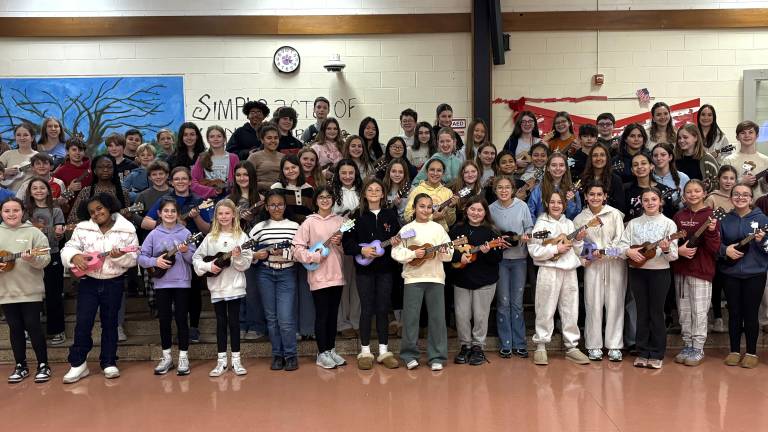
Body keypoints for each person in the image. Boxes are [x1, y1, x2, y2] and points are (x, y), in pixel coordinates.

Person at [61, 193, 139, 383]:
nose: (96, 214)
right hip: (89, 281)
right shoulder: (83, 228)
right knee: (83, 322)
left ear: (109, 207)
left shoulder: (127, 230)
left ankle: (109, 361)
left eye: (99, 209)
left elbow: (134, 258)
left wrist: (118, 256)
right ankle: (78, 364)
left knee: (110, 323)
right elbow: (68, 247)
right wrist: (75, 256)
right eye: (92, 212)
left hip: (114, 281)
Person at [143, 166, 212, 343]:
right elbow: (145, 222)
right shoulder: (165, 200)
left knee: (194, 290)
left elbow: (208, 229)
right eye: (177, 179)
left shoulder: (199, 200)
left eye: (184, 179)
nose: (180, 182)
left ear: (190, 181)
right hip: (168, 251)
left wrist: (195, 217)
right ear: (171, 182)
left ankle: (193, 328)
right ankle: (178, 330)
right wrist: (168, 224)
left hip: (191, 247)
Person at [342, 178, 402, 370]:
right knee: (367, 309)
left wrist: (396, 242)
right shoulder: (356, 216)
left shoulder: (391, 215)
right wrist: (362, 251)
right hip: (364, 270)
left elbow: (399, 238)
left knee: (383, 308)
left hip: (386, 270)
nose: (374, 192)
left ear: (383, 194)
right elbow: (347, 243)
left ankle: (384, 351)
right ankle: (365, 350)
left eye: (378, 189)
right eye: (370, 189)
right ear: (364, 194)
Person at [527, 190, 590, 366]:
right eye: (552, 202)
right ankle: (541, 346)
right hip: (548, 270)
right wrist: (555, 250)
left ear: (565, 205)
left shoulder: (570, 223)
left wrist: (578, 240)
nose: (556, 205)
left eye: (560, 203)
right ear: (547, 203)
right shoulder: (540, 223)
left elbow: (577, 251)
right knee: (545, 308)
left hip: (569, 271)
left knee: (570, 308)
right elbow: (534, 251)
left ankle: (572, 346)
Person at [392, 193, 452, 371]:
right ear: (414, 208)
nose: (426, 210)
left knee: (437, 319)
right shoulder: (407, 229)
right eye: (422, 206)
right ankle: (409, 355)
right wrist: (412, 254)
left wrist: (442, 251)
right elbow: (396, 252)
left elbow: (449, 254)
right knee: (410, 319)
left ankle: (437, 356)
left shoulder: (438, 229)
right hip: (413, 279)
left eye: (429, 206)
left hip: (435, 278)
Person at [619, 188, 679, 369]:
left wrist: (666, 248)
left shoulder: (669, 224)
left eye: (654, 199)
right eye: (646, 200)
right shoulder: (633, 224)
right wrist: (629, 251)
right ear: (641, 202)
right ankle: (642, 351)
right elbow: (622, 245)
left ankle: (657, 353)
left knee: (656, 312)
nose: (650, 203)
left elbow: (673, 255)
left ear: (660, 202)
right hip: (637, 272)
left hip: (660, 273)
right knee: (641, 312)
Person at [193, 199, 253, 377]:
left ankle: (236, 360)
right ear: (216, 216)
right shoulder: (210, 237)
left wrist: (237, 257)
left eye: (227, 213)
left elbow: (245, 264)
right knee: (220, 323)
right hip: (217, 287)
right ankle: (221, 362)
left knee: (234, 322)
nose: (224, 217)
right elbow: (197, 259)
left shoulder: (241, 237)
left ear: (234, 214)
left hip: (234, 287)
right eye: (220, 214)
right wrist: (209, 266)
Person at [138, 197, 196, 375]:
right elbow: (141, 257)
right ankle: (166, 356)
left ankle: (184, 357)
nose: (169, 214)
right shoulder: (154, 234)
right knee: (164, 319)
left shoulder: (185, 233)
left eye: (173, 211)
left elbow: (193, 258)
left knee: (181, 318)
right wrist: (156, 261)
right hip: (162, 283)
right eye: (166, 211)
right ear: (159, 214)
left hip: (182, 283)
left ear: (178, 214)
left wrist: (185, 252)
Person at [292, 187, 348, 369]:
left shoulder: (341, 221)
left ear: (333, 200)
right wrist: (314, 257)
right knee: (322, 315)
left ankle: (331, 350)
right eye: (321, 197)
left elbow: (347, 249)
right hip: (318, 275)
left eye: (328, 197)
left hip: (337, 274)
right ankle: (321, 352)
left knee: (333, 316)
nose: (325, 200)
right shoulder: (309, 223)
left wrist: (339, 244)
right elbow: (297, 249)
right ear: (316, 201)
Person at [0, 197, 52, 383]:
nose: (11, 214)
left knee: (33, 326)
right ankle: (20, 365)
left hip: (30, 289)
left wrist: (32, 259)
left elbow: (45, 259)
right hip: (5, 291)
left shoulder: (34, 233)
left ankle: (43, 365)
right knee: (14, 328)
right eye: (7, 211)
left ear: (23, 212)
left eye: (16, 210)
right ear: (1, 213)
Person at [574, 182, 626, 362]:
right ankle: (594, 346)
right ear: (586, 197)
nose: (595, 198)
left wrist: (605, 252)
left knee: (615, 305)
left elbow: (621, 243)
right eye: (591, 194)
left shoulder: (614, 214)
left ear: (605, 196)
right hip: (593, 267)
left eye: (599, 194)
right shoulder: (580, 219)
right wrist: (588, 257)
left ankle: (614, 346)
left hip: (615, 265)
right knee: (593, 304)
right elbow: (577, 246)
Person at [671, 180, 721, 367]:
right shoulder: (679, 215)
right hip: (681, 269)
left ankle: (698, 347)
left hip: (701, 270)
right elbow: (672, 240)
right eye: (689, 191)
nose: (693, 194)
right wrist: (679, 250)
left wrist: (710, 231)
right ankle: (687, 344)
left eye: (697, 191)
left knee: (699, 311)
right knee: (684, 311)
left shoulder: (711, 216)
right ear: (684, 195)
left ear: (704, 193)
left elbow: (714, 247)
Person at [249, 191, 300, 371]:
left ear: (285, 207)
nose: (277, 208)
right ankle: (277, 355)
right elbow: (247, 251)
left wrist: (284, 253)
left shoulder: (295, 226)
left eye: (280, 205)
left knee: (285, 318)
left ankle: (291, 355)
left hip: (287, 273)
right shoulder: (259, 227)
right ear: (267, 207)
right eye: (272, 205)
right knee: (271, 318)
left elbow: (300, 251)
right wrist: (256, 255)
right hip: (265, 273)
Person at [719, 184, 768, 368]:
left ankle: (751, 352)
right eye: (737, 194)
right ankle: (733, 350)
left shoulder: (762, 219)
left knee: (750, 314)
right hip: (729, 273)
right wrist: (725, 251)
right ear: (731, 197)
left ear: (751, 198)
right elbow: (715, 244)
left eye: (745, 194)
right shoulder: (724, 219)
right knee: (734, 313)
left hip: (755, 274)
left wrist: (762, 240)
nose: (741, 197)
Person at [449, 195, 501, 365]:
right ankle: (465, 346)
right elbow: (448, 252)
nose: (476, 213)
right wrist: (459, 257)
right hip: (462, 280)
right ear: (466, 210)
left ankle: (478, 347)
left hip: (484, 281)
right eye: (472, 209)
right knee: (462, 315)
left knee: (480, 316)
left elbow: (497, 257)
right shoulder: (457, 230)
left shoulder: (492, 232)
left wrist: (489, 252)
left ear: (485, 212)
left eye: (480, 210)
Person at [489, 176, 532, 359]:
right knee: (503, 302)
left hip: (519, 259)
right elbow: (489, 233)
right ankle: (505, 343)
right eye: (500, 187)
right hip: (500, 261)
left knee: (517, 302)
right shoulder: (490, 209)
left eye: (507, 187)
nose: (504, 190)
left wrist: (525, 237)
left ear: (513, 189)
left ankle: (520, 342)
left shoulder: (522, 206)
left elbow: (529, 228)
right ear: (495, 190)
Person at [23, 178, 67, 346]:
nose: (39, 190)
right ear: (30, 191)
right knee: (30, 294)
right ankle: (29, 330)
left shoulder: (55, 211)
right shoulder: (25, 211)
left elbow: (59, 235)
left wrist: (59, 233)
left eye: (42, 188)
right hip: (29, 257)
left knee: (54, 293)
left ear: (49, 191)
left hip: (52, 254)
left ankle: (57, 330)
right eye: (35, 188)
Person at [331, 160, 362, 337]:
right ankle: (342, 323)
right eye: (344, 173)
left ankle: (356, 321)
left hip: (357, 243)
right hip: (338, 242)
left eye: (351, 173)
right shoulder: (333, 193)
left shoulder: (361, 191)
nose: (348, 176)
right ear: (338, 174)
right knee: (342, 282)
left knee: (356, 283)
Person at [67, 155, 129, 225]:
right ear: (95, 171)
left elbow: (127, 218)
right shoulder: (86, 191)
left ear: (114, 170)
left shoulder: (123, 192)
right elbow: (72, 219)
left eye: (109, 167)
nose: (105, 170)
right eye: (100, 167)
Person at [404, 158, 456, 232]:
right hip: (421, 235)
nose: (435, 173)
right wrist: (432, 217)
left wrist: (452, 207)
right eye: (432, 169)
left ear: (443, 173)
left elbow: (450, 222)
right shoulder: (417, 190)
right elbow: (407, 217)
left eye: (439, 170)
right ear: (426, 171)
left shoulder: (448, 192)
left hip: (441, 236)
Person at [527, 152, 582, 222]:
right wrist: (537, 228)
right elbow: (530, 213)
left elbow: (575, 217)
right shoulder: (538, 189)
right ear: (547, 168)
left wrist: (570, 202)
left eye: (561, 165)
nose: (558, 168)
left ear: (566, 168)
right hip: (542, 229)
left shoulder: (573, 190)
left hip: (565, 230)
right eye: (554, 165)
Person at [624, 153, 676, 222]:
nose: (639, 167)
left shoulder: (664, 190)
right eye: (635, 165)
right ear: (632, 170)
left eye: (643, 163)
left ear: (651, 166)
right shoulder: (626, 191)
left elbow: (670, 218)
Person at [723, 120, 768, 199]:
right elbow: (722, 186)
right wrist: (741, 182)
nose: (747, 135)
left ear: (757, 136)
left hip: (761, 207)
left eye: (750, 132)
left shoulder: (766, 160)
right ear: (737, 137)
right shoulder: (729, 160)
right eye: (743, 133)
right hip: (736, 205)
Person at [190, 125, 238, 199]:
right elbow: (193, 181)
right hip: (207, 200)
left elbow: (238, 179)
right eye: (212, 136)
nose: (216, 139)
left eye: (219, 136)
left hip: (229, 198)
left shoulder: (233, 158)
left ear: (224, 139)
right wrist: (211, 191)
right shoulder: (202, 157)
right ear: (208, 140)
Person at [580, 143, 625, 214]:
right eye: (595, 155)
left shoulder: (615, 180)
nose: (598, 158)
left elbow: (620, 208)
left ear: (607, 157)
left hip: (610, 219)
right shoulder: (583, 179)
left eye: (602, 155)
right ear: (590, 159)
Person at [270, 154, 315, 223]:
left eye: (293, 167)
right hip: (283, 227)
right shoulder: (276, 188)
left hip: (305, 227)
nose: (291, 171)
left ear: (299, 168)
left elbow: (312, 212)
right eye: (287, 168)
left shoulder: (309, 189)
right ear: (282, 171)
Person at [1, 123, 38, 192]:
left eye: (25, 135)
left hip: (30, 196)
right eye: (18, 135)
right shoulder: (8, 154)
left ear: (32, 138)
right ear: (15, 137)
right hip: (9, 198)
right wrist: (4, 171)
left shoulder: (38, 157)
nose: (22, 138)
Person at [652, 142, 689, 209]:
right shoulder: (649, 177)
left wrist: (686, 204)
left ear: (670, 157)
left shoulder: (683, 177)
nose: (659, 158)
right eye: (655, 155)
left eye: (663, 155)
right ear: (652, 158)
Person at [247, 124, 283, 192]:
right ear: (262, 140)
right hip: (259, 194)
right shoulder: (254, 157)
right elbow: (246, 179)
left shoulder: (284, 157)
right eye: (269, 138)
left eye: (276, 138)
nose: (273, 140)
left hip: (282, 194)